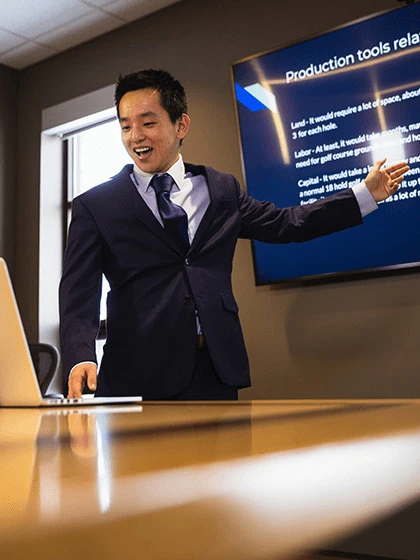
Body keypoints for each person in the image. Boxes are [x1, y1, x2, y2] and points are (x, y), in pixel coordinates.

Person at [59, 69, 409, 401]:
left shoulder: (221, 189)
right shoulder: (96, 205)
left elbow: (287, 223)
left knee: (222, 465)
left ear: (181, 125)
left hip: (215, 369)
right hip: (136, 374)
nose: (135, 136)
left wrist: (363, 195)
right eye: (125, 126)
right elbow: (78, 292)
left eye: (148, 123)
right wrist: (80, 355)